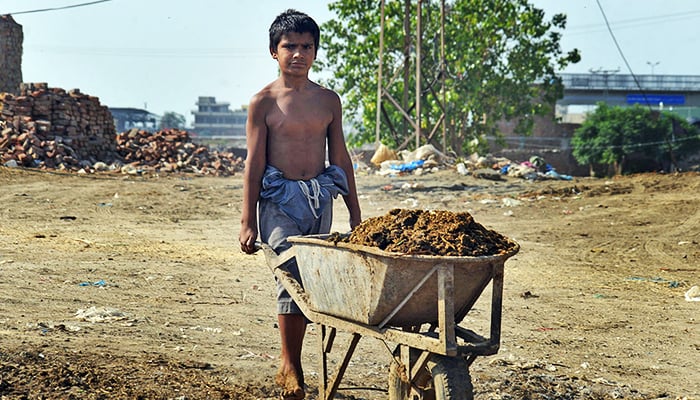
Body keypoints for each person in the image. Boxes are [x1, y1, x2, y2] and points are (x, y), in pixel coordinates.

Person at [238, 9, 362, 400]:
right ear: (273, 51)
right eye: (289, 46)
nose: (298, 53)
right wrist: (247, 220)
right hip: (277, 199)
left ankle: (294, 357)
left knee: (313, 277)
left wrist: (356, 212)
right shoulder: (263, 103)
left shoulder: (328, 101)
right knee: (290, 274)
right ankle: (290, 362)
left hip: (318, 197)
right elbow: (254, 163)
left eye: (306, 46)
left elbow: (340, 158)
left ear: (315, 52)